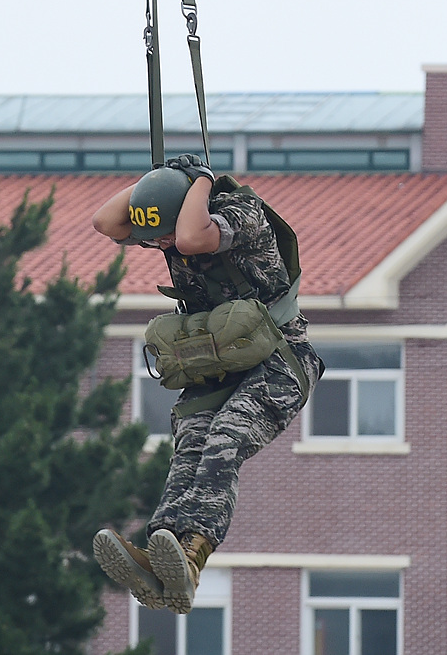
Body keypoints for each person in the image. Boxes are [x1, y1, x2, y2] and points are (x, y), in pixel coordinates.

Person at [90, 154, 323, 615]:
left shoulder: (241, 214)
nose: (158, 244)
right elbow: (105, 222)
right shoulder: (175, 224)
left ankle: (194, 552)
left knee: (225, 439)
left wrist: (198, 179)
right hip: (221, 365)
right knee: (190, 444)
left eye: (161, 233)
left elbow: (194, 237)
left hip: (281, 360)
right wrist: (153, 184)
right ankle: (165, 552)